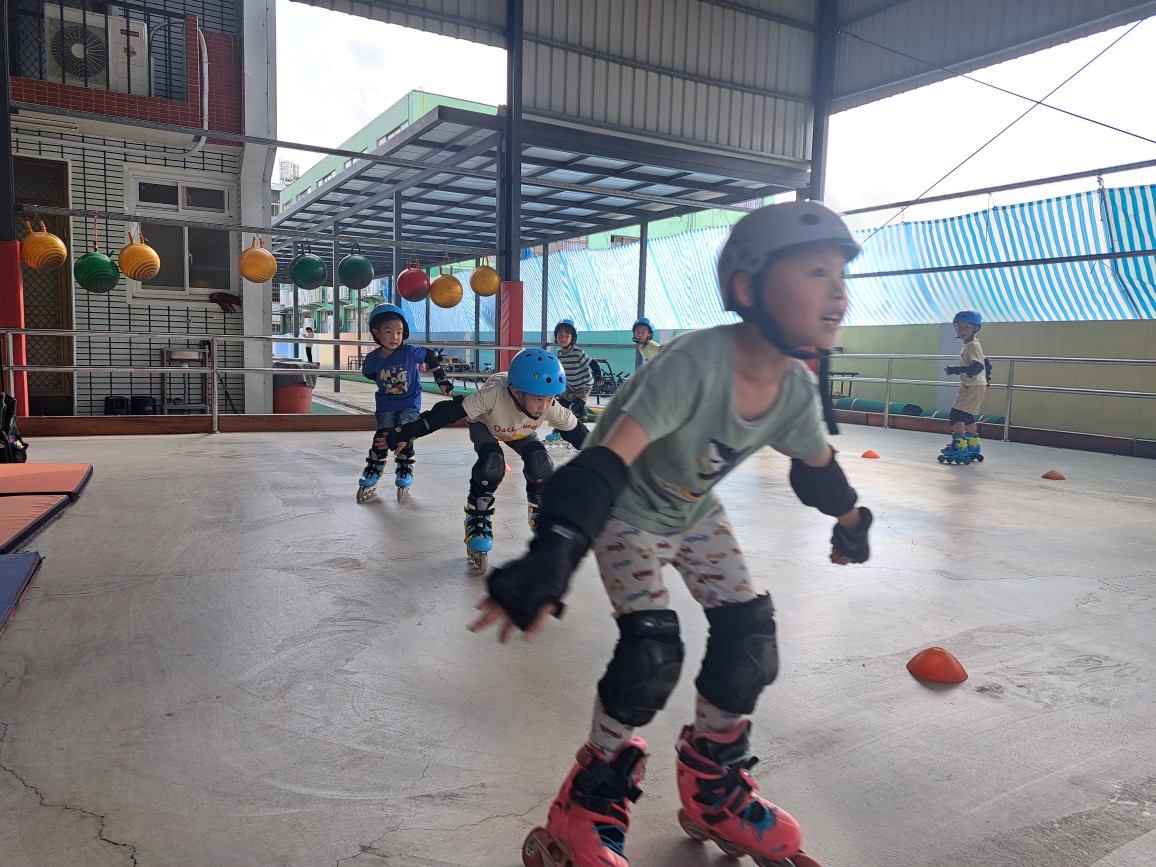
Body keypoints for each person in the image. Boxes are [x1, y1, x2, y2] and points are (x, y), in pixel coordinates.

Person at [468, 202, 875, 867]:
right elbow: (604, 462)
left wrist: (853, 522)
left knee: (750, 639)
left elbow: (818, 472)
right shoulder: (695, 364)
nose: (838, 293)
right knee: (651, 655)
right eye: (816, 272)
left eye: (841, 274)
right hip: (625, 506)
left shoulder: (795, 391)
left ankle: (714, 789)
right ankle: (585, 802)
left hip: (693, 510)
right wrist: (554, 552)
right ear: (748, 287)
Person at [382, 348, 590, 571]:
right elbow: (446, 413)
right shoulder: (492, 396)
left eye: (550, 399)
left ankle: (540, 508)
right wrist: (406, 433)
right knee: (492, 465)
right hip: (486, 425)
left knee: (542, 464)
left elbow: (582, 437)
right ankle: (477, 517)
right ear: (516, 392)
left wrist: (608, 464)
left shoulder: (551, 407)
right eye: (539, 399)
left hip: (521, 431)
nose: (545, 406)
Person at [356, 304, 453, 503]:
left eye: (399, 332)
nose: (394, 337)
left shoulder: (409, 352)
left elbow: (430, 355)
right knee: (382, 437)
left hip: (410, 402)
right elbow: (368, 373)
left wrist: (441, 379)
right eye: (388, 332)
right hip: (385, 405)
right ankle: (374, 468)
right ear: (376, 333)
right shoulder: (372, 359)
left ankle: (405, 467)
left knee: (404, 433)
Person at [940, 310, 991, 465]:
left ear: (976, 328)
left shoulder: (971, 346)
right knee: (968, 416)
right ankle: (973, 446)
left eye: (966, 327)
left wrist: (955, 370)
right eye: (959, 327)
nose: (962, 330)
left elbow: (977, 366)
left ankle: (959, 447)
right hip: (976, 385)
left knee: (956, 415)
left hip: (973, 386)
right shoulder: (972, 344)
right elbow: (986, 363)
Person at [548, 319, 602, 433]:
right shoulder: (559, 354)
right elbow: (558, 372)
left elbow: (593, 363)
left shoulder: (578, 353)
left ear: (573, 338)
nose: (563, 338)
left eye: (567, 336)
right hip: (570, 386)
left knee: (577, 408)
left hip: (583, 385)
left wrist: (598, 376)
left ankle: (583, 433)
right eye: (560, 335)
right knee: (561, 408)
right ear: (556, 337)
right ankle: (558, 431)